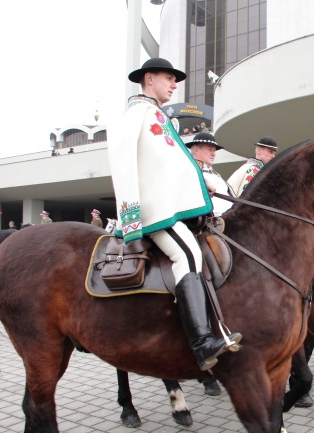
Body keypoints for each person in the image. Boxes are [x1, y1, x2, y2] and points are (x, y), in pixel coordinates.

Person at [107, 57, 241, 371]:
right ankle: (201, 344)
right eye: (169, 78)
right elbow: (122, 161)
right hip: (155, 212)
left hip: (167, 207)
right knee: (188, 255)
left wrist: (204, 181)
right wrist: (131, 216)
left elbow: (174, 164)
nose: (174, 84)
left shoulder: (156, 115)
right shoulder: (136, 114)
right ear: (149, 78)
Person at [187, 133, 234, 217]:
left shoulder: (216, 175)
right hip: (211, 224)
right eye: (210, 149)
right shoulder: (188, 171)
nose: (214, 154)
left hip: (231, 221)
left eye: (214, 150)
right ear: (197, 150)